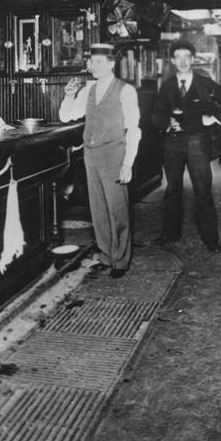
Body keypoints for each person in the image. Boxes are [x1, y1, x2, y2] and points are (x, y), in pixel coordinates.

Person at [151, 40, 221, 253]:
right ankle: (171, 234)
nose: (182, 61)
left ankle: (211, 239)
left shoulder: (204, 83)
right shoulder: (167, 86)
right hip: (172, 144)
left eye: (186, 57)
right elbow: (155, 114)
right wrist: (166, 123)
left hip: (197, 144)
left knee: (203, 192)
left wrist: (214, 119)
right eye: (178, 58)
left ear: (193, 59)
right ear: (173, 61)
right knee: (172, 191)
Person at [59, 43, 140, 278]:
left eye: (98, 62)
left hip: (114, 155)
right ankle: (106, 255)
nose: (92, 66)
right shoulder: (88, 90)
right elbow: (66, 116)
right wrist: (68, 95)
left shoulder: (125, 90)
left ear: (111, 63)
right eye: (90, 61)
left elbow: (134, 129)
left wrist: (128, 163)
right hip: (91, 155)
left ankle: (121, 261)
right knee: (98, 209)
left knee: (117, 209)